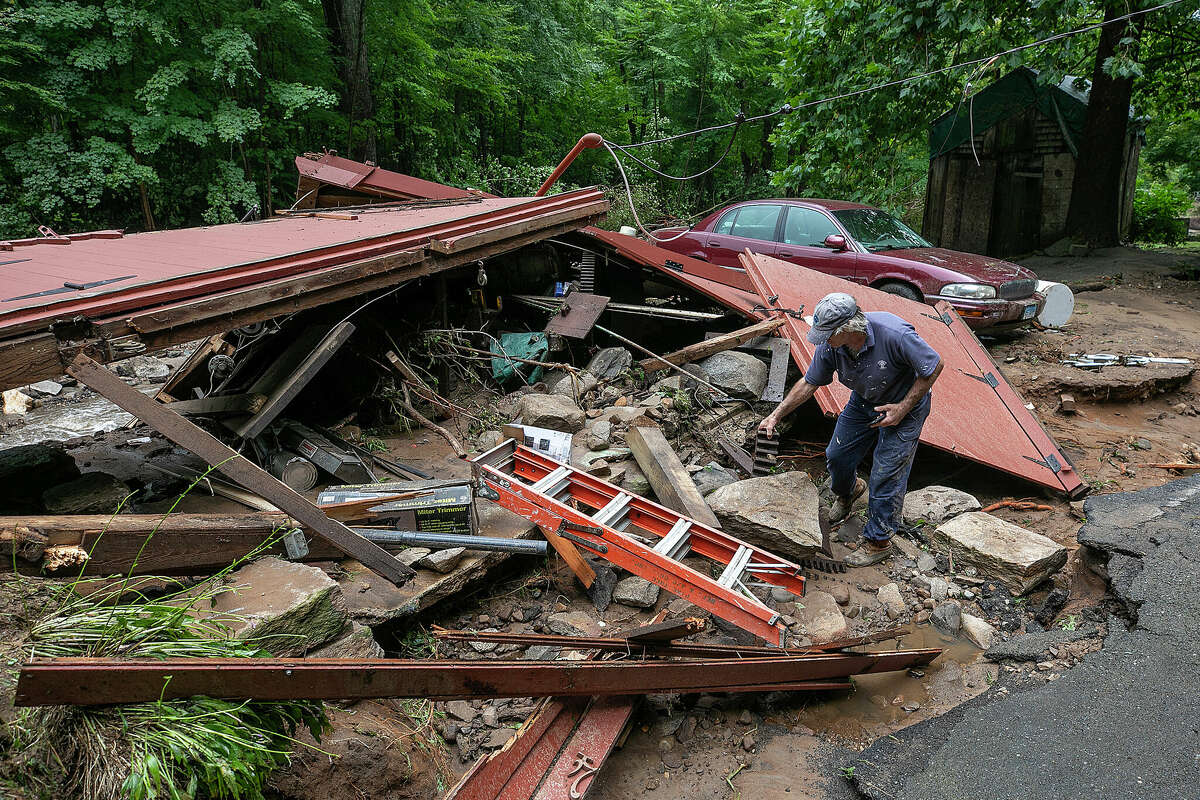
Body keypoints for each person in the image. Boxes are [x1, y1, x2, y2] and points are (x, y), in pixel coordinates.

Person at [759, 292, 943, 566]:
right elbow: (810, 383)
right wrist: (775, 415)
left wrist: (902, 408)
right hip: (864, 399)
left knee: (886, 474)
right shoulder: (832, 346)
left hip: (904, 406)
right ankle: (849, 492)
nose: (822, 341)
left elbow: (934, 365)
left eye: (827, 334)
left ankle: (878, 542)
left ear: (847, 328)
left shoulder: (893, 334)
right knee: (837, 455)